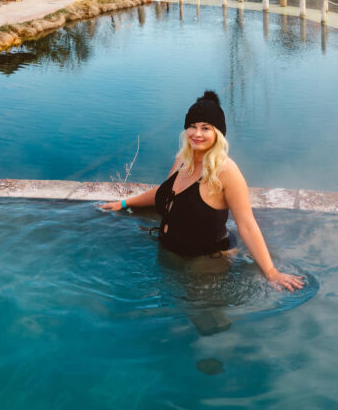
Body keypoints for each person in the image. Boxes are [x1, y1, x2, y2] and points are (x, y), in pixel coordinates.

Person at [101, 90, 304, 292]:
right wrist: (125, 203)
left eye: (205, 128)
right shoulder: (183, 159)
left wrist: (271, 272)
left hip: (207, 259)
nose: (197, 134)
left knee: (204, 319)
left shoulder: (226, 171)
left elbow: (247, 225)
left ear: (218, 134)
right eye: (192, 127)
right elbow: (166, 193)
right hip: (169, 252)